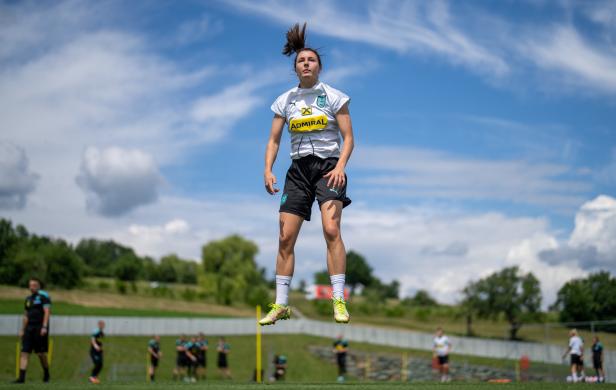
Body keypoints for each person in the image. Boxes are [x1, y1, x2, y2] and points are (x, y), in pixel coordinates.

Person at [259, 22, 355, 326]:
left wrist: (341, 166)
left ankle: (338, 300)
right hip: (298, 171)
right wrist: (268, 169)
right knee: (285, 237)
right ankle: (281, 305)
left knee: (331, 229)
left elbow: (349, 138)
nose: (306, 64)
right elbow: (273, 139)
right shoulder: (285, 101)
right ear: (296, 68)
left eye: (311, 60)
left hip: (329, 168)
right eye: (301, 60)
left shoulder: (335, 97)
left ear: (319, 66)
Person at [15, 278, 51, 383]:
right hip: (28, 329)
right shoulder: (28, 299)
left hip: (40, 328)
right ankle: (21, 379)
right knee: (24, 352)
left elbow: (47, 312)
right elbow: (26, 315)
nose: (32, 287)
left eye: (35, 285)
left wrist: (44, 327)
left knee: (40, 354)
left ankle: (46, 373)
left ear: (39, 286)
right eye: (30, 285)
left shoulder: (44, 298)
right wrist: (22, 329)